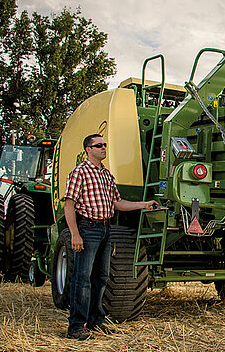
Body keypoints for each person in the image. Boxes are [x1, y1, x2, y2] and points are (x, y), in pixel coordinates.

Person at [64, 133, 158, 340]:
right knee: (82, 279)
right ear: (88, 149)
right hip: (88, 229)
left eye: (104, 145)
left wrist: (143, 204)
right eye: (99, 146)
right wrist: (75, 234)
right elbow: (69, 204)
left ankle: (96, 322)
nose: (103, 148)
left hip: (107, 229)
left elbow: (118, 203)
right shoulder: (79, 172)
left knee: (102, 277)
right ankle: (76, 327)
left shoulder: (107, 175)